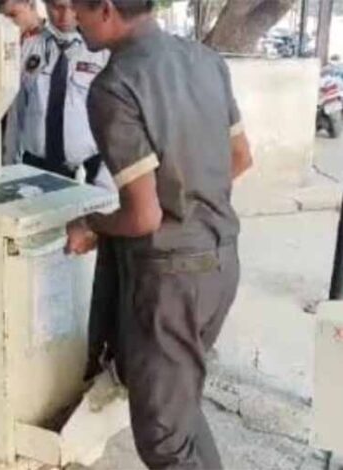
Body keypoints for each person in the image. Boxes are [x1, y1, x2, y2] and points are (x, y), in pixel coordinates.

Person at [67, 1, 253, 469]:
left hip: (171, 283)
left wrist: (92, 224)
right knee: (179, 407)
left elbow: (143, 217)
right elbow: (240, 158)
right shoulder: (205, 60)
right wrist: (190, 203)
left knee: (164, 441)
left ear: (105, 9)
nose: (72, 18)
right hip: (221, 263)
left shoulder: (114, 86)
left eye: (76, 8)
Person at [3, 0, 114, 190]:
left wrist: (106, 181)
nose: (64, 15)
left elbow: (113, 121)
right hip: (35, 169)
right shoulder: (28, 48)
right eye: (56, 6)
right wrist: (9, 167)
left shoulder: (101, 52)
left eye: (71, 6)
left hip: (87, 172)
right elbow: (17, 114)